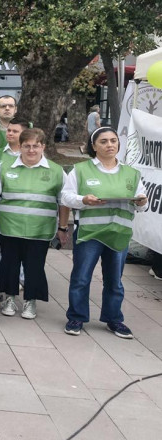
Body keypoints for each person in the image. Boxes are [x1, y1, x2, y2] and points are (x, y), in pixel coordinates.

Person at [0, 128, 69, 320]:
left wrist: (63, 227)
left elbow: (64, 201)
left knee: (35, 266)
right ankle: (9, 298)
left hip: (40, 230)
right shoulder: (6, 169)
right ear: (20, 147)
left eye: (36, 146)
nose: (31, 150)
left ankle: (30, 301)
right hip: (9, 228)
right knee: (9, 265)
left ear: (43, 147)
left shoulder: (56, 172)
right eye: (27, 146)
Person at [61, 127, 148, 338]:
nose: (110, 145)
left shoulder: (132, 173)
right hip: (90, 234)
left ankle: (114, 319)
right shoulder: (81, 170)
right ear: (94, 146)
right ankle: (76, 317)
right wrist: (84, 199)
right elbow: (65, 197)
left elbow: (141, 204)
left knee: (115, 281)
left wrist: (142, 201)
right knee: (81, 278)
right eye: (104, 141)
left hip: (118, 234)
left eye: (113, 140)